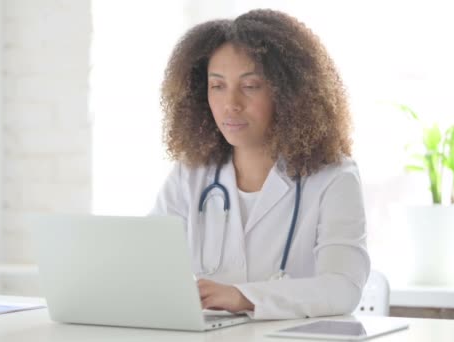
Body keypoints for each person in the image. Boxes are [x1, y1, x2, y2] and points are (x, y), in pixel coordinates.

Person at [151, 9, 370, 320]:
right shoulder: (191, 173)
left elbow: (342, 287)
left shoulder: (334, 177)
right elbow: (146, 263)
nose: (231, 104)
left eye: (250, 86)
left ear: (289, 93)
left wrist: (244, 297)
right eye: (217, 86)